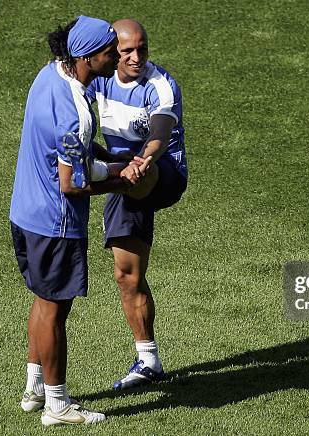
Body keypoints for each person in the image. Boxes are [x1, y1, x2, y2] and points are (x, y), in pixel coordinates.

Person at [10, 16, 150, 426]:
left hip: (24, 211)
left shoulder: (49, 74)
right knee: (55, 310)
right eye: (111, 53)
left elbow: (74, 150)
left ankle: (35, 388)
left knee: (45, 300)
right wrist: (121, 182)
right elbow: (71, 184)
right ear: (89, 56)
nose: (117, 59)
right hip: (55, 223)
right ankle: (58, 406)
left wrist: (108, 160)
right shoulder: (75, 111)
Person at [86, 18, 188, 389]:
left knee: (134, 175)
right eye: (127, 51)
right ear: (112, 53)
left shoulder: (160, 84)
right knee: (126, 275)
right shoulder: (98, 78)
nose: (136, 57)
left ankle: (91, 180)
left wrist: (144, 158)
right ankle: (149, 361)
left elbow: (161, 130)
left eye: (142, 48)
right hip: (122, 177)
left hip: (161, 174)